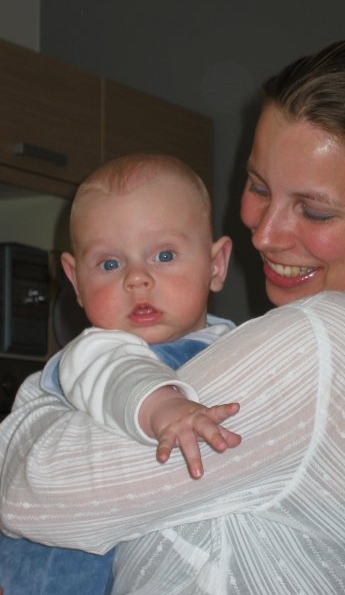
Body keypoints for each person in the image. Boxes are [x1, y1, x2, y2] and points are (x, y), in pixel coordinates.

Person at [1, 36, 345, 595]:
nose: (265, 233)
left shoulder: (327, 340)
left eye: (313, 210)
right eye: (258, 186)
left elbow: (27, 498)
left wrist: (48, 390)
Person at [0, 153, 240, 594]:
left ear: (216, 265)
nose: (137, 278)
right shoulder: (93, 351)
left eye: (164, 255)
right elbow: (119, 374)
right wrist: (165, 407)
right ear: (76, 280)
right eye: (110, 264)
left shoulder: (238, 348)